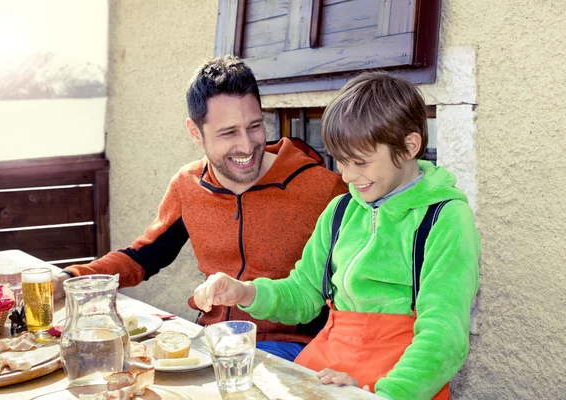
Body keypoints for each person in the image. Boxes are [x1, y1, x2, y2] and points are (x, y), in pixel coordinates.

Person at [193, 71, 480, 399]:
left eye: (360, 161)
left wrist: (381, 394)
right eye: (340, 161)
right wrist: (244, 292)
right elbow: (303, 294)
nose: (346, 175)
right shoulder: (341, 210)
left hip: (400, 382)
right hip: (324, 369)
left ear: (409, 146)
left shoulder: (445, 219)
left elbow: (442, 337)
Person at [52, 55, 347, 362]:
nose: (247, 146)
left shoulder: (324, 189)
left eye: (255, 126)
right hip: (211, 342)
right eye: (228, 132)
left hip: (292, 347)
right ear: (195, 133)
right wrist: (71, 276)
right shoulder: (187, 185)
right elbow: (144, 256)